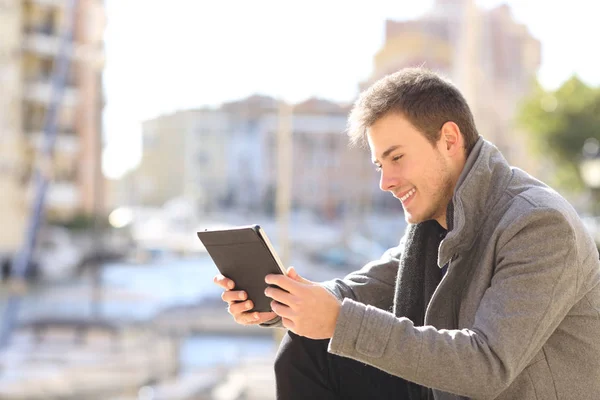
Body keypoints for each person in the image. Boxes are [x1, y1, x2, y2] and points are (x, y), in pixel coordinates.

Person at [213, 68, 600, 400]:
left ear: (449, 140)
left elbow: (489, 365)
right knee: (306, 348)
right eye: (379, 164)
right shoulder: (437, 222)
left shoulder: (539, 224)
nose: (386, 181)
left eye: (396, 158)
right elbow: (367, 286)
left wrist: (338, 321)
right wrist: (290, 303)